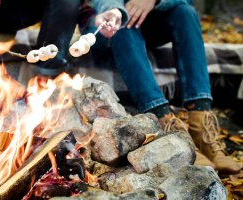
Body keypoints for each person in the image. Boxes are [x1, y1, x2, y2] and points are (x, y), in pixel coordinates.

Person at [80, 0, 241, 174]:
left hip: (146, 20)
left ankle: (201, 126)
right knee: (124, 20)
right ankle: (164, 124)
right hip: (102, 23)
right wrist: (116, 10)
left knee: (185, 12)